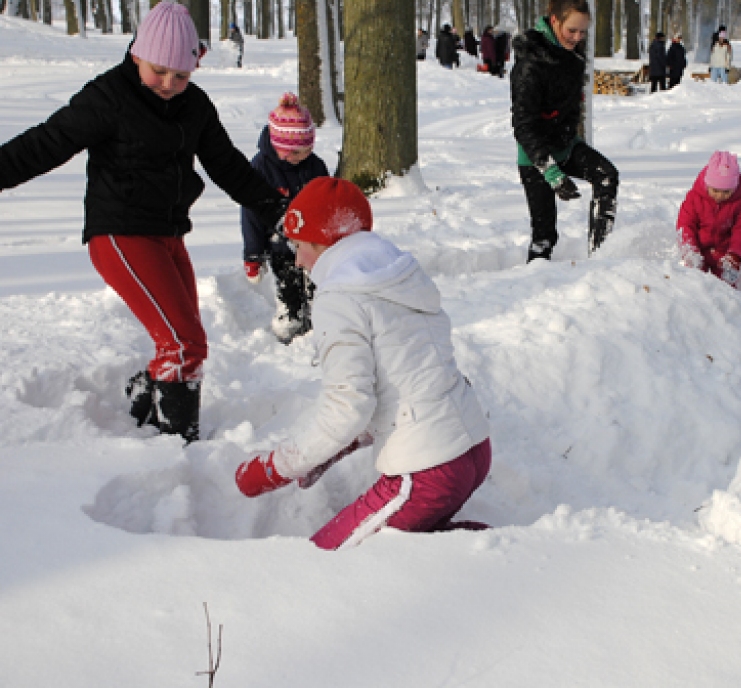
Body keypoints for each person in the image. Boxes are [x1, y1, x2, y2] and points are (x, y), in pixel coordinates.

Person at [0, 1, 288, 443]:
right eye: (159, 71)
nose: (170, 84)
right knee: (184, 343)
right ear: (137, 53)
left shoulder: (194, 106)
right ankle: (175, 444)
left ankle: (143, 402)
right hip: (119, 233)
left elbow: (227, 166)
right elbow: (47, 142)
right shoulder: (108, 97)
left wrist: (276, 209)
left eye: (182, 75)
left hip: (168, 236)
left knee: (185, 338)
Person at [234, 178, 492, 550]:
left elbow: (347, 406)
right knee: (411, 544)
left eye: (300, 246)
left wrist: (277, 467)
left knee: (325, 559)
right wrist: (330, 449)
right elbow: (404, 380)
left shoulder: (340, 298)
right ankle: (483, 554)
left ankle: (504, 562)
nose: (297, 259)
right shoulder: (396, 277)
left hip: (425, 470)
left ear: (325, 243)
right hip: (473, 450)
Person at [510, 0, 619, 261]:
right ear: (554, 20)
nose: (577, 37)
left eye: (583, 32)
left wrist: (572, 137)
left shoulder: (573, 57)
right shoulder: (531, 64)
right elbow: (523, 125)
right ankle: (533, 288)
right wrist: (550, 171)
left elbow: (571, 108)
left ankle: (601, 257)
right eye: (572, 30)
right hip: (535, 156)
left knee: (606, 176)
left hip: (566, 145)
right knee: (545, 235)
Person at [240, 93, 328, 344]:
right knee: (289, 282)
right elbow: (251, 216)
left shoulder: (314, 166)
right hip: (279, 243)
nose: (307, 154)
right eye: (302, 151)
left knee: (317, 281)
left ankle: (320, 317)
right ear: (284, 150)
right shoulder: (260, 170)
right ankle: (291, 317)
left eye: (310, 148)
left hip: (312, 244)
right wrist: (253, 255)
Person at [677, 151, 741, 287]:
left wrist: (735, 256)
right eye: (715, 190)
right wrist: (690, 251)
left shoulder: (740, 203)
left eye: (726, 192)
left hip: (724, 255)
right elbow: (686, 225)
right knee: (695, 284)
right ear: (707, 184)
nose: (720, 196)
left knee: (726, 287)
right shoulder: (694, 198)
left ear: (734, 188)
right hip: (699, 251)